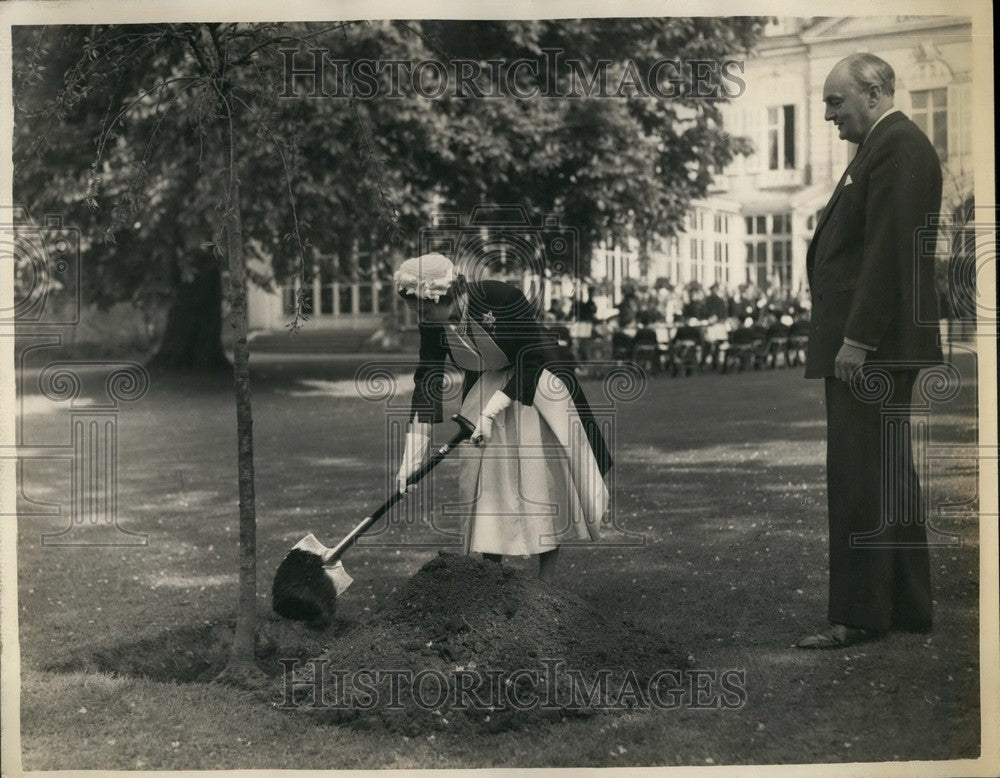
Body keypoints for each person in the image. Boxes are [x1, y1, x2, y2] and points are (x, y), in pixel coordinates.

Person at [797, 53, 943, 649]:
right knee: (888, 476)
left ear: (875, 92)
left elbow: (887, 254)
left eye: (836, 101)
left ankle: (859, 613)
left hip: (873, 348)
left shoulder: (897, 147)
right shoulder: (884, 147)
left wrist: (856, 340)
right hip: (878, 345)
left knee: (860, 475)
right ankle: (905, 605)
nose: (828, 113)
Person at [394, 253, 612, 582]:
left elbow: (532, 355)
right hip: (484, 388)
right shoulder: (432, 324)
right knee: (484, 480)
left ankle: (546, 583)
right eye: (416, 310)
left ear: (447, 294)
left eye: (425, 309)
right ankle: (491, 579)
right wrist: (410, 458)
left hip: (534, 385)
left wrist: (492, 411)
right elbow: (427, 382)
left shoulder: (502, 297)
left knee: (538, 477)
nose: (421, 317)